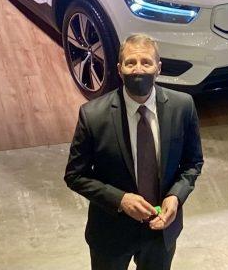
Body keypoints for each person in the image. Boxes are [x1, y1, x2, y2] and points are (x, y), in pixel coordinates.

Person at [65, 34, 204, 270]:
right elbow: (75, 175)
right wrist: (120, 199)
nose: (138, 69)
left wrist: (176, 196)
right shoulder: (93, 116)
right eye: (131, 63)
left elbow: (193, 162)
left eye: (146, 62)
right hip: (111, 231)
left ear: (158, 68)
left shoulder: (183, 107)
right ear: (119, 69)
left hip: (161, 230)